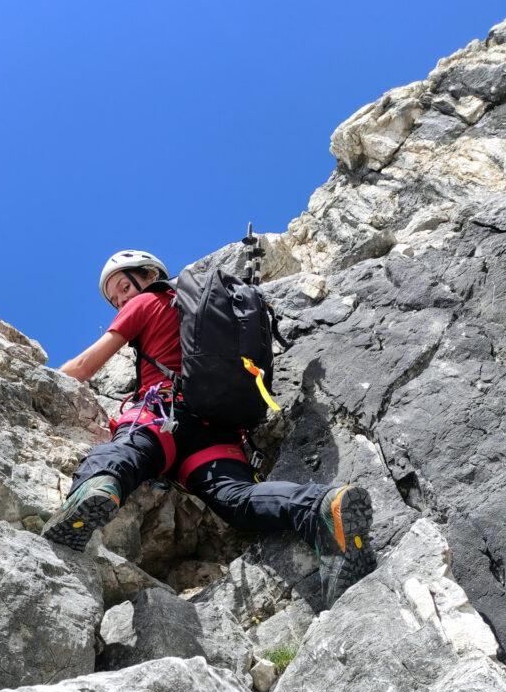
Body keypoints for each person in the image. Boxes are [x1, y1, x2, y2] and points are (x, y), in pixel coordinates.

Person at [42, 249, 376, 608]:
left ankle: (98, 487)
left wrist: (35, 378)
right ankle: (320, 507)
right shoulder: (210, 312)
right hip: (218, 431)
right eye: (115, 298)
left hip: (162, 413)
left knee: (130, 452)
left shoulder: (146, 303)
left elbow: (85, 366)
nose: (121, 298)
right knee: (237, 500)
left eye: (124, 286)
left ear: (150, 275)